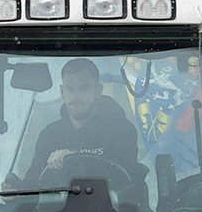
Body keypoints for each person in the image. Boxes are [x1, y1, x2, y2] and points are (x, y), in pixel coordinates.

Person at [20, 58, 146, 199]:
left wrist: (72, 157)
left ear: (98, 91)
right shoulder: (50, 134)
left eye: (84, 88)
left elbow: (126, 180)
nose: (75, 96)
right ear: (62, 91)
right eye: (70, 88)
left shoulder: (122, 131)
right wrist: (14, 190)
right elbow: (32, 186)